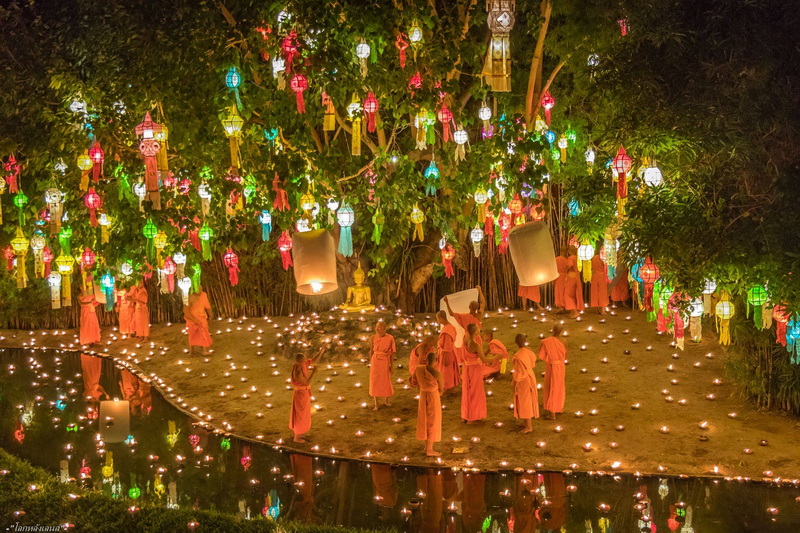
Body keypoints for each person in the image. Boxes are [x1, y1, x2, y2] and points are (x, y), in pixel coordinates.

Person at [461, 323, 497, 424]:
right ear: (475, 331)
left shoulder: (465, 340)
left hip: (467, 369)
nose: (479, 331)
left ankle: (466, 415)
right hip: (474, 370)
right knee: (475, 392)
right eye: (477, 329)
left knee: (467, 391)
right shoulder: (475, 344)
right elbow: (484, 359)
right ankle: (472, 417)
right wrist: (496, 357)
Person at [290, 347, 325, 443]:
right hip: (300, 394)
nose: (306, 361)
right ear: (301, 361)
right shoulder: (297, 373)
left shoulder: (301, 364)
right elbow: (306, 383)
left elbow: (312, 361)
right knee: (300, 415)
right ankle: (297, 437)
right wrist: (313, 372)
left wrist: (321, 351)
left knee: (304, 414)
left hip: (304, 393)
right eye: (304, 360)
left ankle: (301, 433)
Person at [415, 351, 444, 457]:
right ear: (436, 361)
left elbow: (413, 382)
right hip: (433, 396)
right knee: (432, 421)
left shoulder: (419, 369)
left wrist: (422, 387)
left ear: (426, 360)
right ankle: (430, 450)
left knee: (424, 419)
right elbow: (442, 388)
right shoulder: (436, 373)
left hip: (423, 395)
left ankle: (426, 446)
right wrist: (436, 393)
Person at [538, 324, 567, 419]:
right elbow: (565, 356)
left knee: (551, 387)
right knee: (559, 386)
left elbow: (541, 355)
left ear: (553, 330)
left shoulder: (547, 341)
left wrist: (551, 359)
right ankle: (559, 408)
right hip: (561, 367)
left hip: (551, 367)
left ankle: (552, 413)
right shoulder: (564, 341)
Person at [512, 334, 539, 434]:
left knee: (525, 401)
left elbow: (518, 374)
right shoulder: (529, 351)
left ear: (516, 342)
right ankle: (525, 422)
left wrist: (514, 387)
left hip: (523, 380)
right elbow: (532, 363)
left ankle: (528, 426)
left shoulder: (518, 356)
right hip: (530, 376)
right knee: (526, 400)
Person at [369, 320, 396, 410]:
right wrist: (371, 362)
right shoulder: (372, 337)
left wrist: (392, 366)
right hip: (375, 361)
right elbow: (371, 351)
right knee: (375, 381)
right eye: (376, 326)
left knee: (386, 380)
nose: (377, 329)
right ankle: (376, 403)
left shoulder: (390, 338)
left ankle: (386, 400)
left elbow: (392, 353)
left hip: (385, 360)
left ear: (385, 329)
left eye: (379, 327)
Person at [436, 310, 460, 391]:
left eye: (437, 319)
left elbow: (447, 344)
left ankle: (448, 387)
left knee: (446, 371)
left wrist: (446, 357)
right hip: (450, 351)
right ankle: (449, 386)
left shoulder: (447, 330)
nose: (437, 321)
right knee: (448, 370)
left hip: (447, 353)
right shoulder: (450, 327)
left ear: (441, 318)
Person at [184, 286, 212, 355]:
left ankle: (205, 350)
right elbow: (185, 311)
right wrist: (193, 320)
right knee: (192, 335)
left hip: (201, 317)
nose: (200, 291)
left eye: (201, 289)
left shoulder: (203, 295)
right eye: (198, 290)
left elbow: (207, 306)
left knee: (204, 333)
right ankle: (192, 351)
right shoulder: (189, 298)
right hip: (191, 319)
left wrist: (210, 314)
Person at [563, 246, 584, 319]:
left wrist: (566, 268)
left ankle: (575, 311)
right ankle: (573, 312)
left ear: (569, 251)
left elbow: (570, 265)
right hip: (576, 277)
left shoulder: (571, 258)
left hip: (571, 278)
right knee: (575, 294)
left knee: (568, 294)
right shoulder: (577, 258)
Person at [590, 244, 609, 314]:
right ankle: (602, 309)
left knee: (595, 292)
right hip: (601, 276)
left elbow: (592, 268)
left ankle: (596, 308)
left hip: (594, 276)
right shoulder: (603, 259)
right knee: (602, 292)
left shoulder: (594, 257)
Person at [554, 245, 568, 312]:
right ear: (566, 251)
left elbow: (553, 269)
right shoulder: (568, 260)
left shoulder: (556, 259)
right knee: (564, 292)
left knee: (559, 292)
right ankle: (565, 306)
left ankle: (560, 307)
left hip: (558, 276)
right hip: (566, 277)